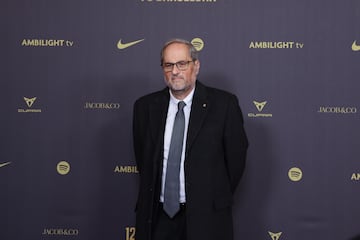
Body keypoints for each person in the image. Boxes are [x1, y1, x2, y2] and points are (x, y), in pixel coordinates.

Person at [132, 38, 248, 240]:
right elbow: (143, 160)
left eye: (182, 64)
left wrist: (210, 197)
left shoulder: (224, 105)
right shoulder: (145, 107)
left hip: (206, 218)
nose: (175, 71)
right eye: (168, 65)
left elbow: (235, 162)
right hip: (157, 218)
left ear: (196, 66)